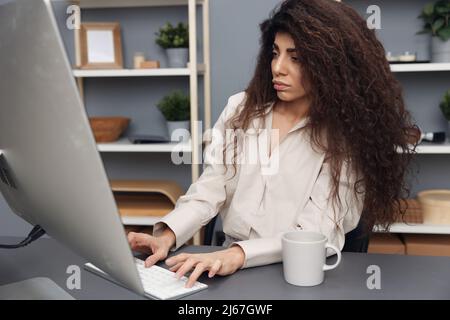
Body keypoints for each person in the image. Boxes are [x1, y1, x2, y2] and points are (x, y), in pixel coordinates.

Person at [128, 0, 416, 288]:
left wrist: (239, 255)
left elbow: (315, 231)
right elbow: (212, 186)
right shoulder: (241, 108)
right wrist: (168, 234)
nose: (278, 68)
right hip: (223, 265)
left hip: (294, 273)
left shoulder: (345, 136)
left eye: (297, 57)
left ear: (331, 64)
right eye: (275, 53)